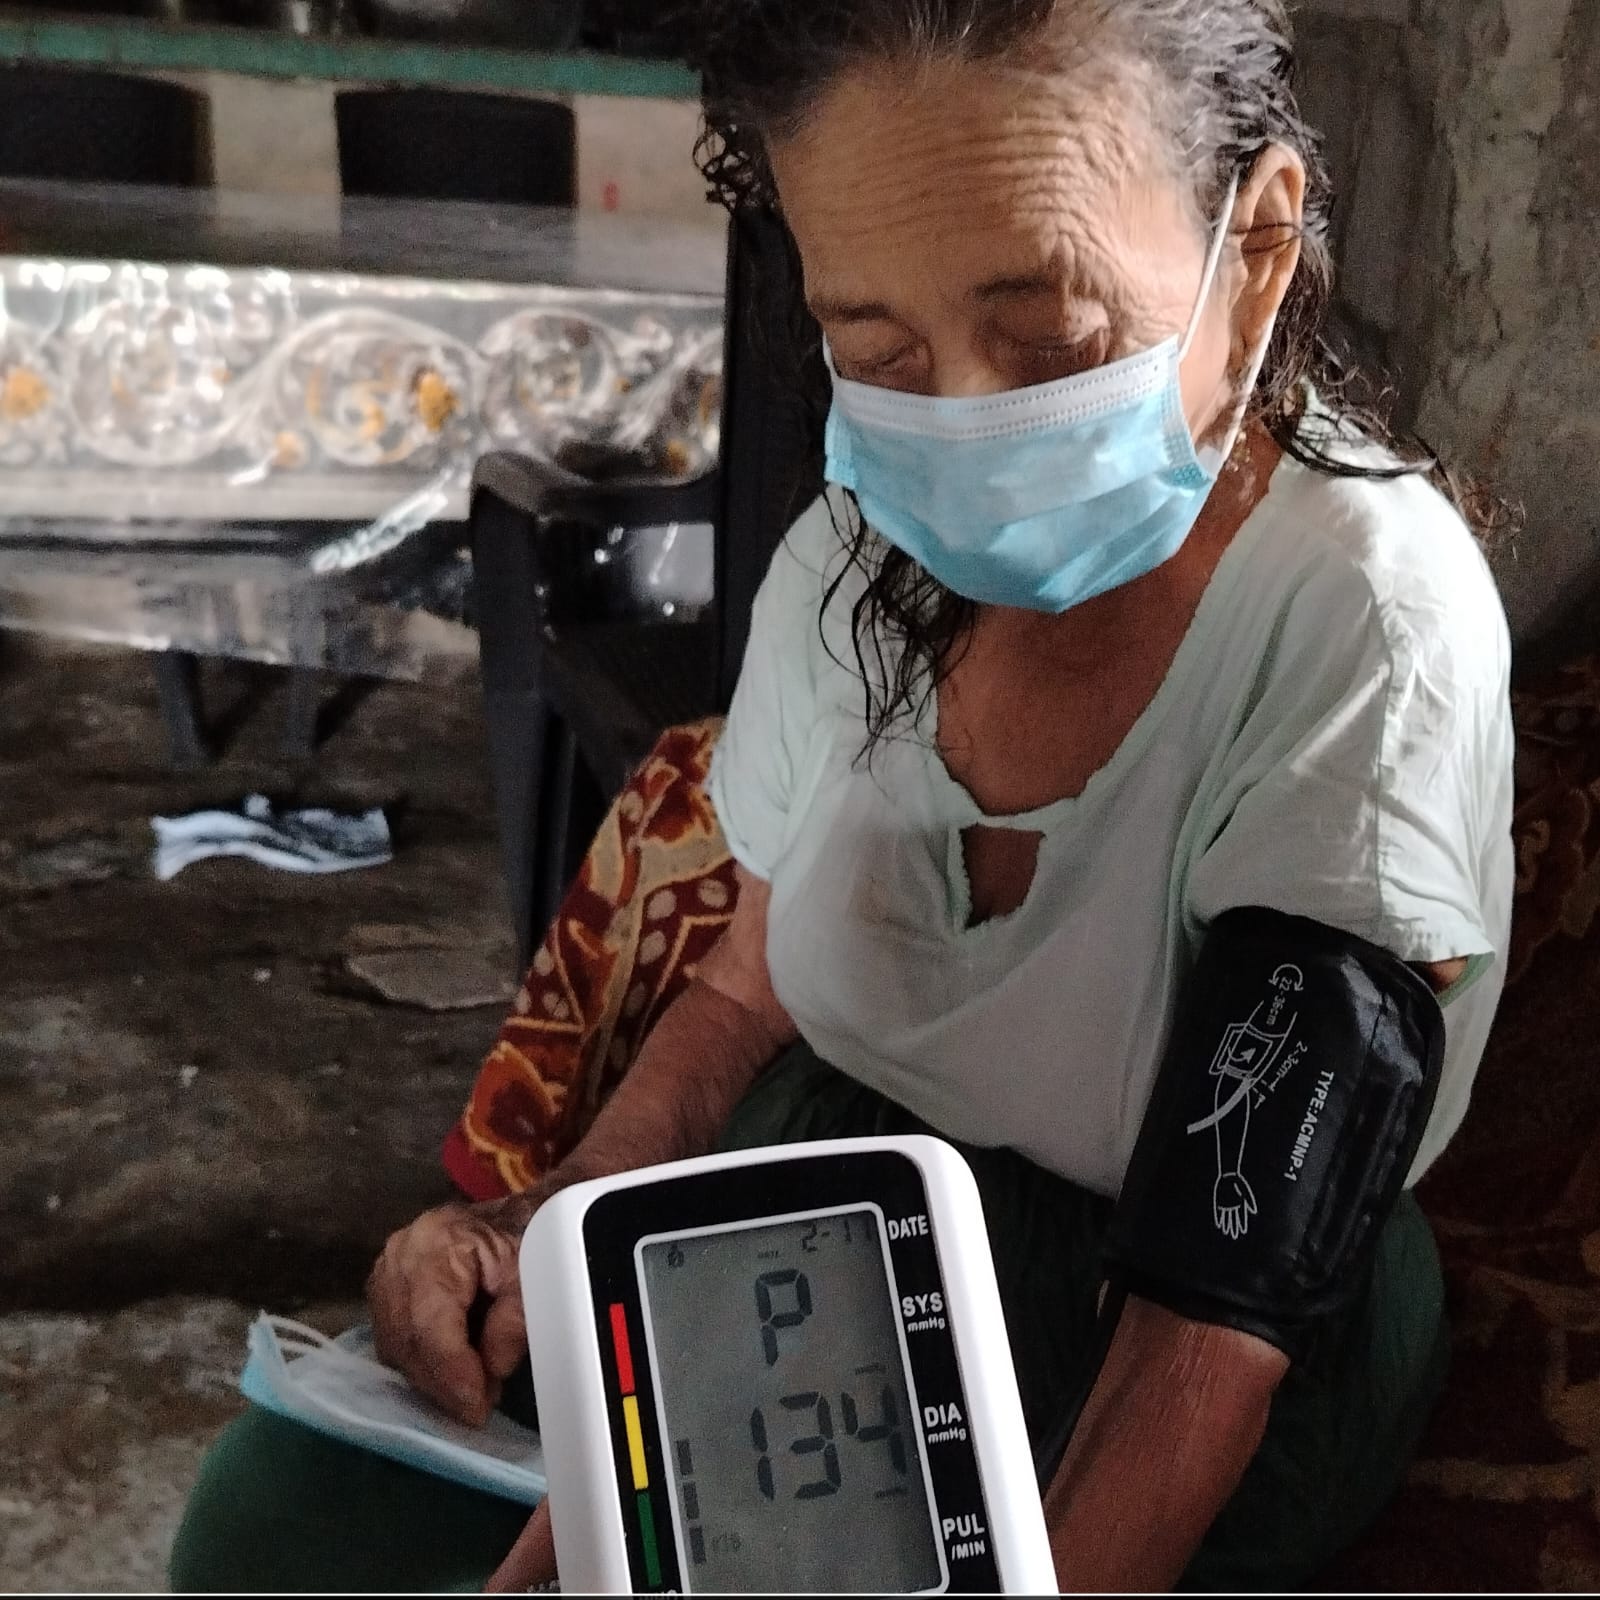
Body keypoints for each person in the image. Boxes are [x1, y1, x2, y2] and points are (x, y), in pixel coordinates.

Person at [170, 0, 1515, 1591]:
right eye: (877, 351)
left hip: (1146, 1331)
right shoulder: (863, 558)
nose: (959, 419)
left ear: (1260, 247)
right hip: (815, 1245)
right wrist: (564, 1225)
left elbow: (1216, 1323)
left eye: (1049, 339)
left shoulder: (1365, 619)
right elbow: (748, 987)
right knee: (277, 1523)